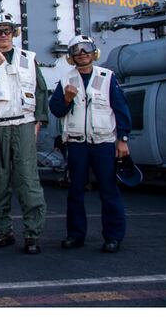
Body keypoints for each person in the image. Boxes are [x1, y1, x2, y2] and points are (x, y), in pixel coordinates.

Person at [0, 11, 48, 255]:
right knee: (0, 181)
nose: (3, 35)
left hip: (23, 123)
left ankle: (32, 234)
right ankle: (4, 231)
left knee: (27, 180)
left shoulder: (29, 58)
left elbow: (41, 90)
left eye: (7, 30)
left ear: (14, 33)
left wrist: (39, 121)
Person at [49, 34, 132, 253]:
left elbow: (121, 109)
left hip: (104, 142)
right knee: (75, 191)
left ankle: (113, 237)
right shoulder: (66, 80)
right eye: (77, 50)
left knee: (108, 190)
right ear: (71, 56)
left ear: (94, 52)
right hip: (77, 144)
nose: (82, 53)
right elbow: (56, 110)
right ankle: (75, 235)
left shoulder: (107, 77)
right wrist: (66, 99)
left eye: (86, 49)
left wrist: (122, 139)